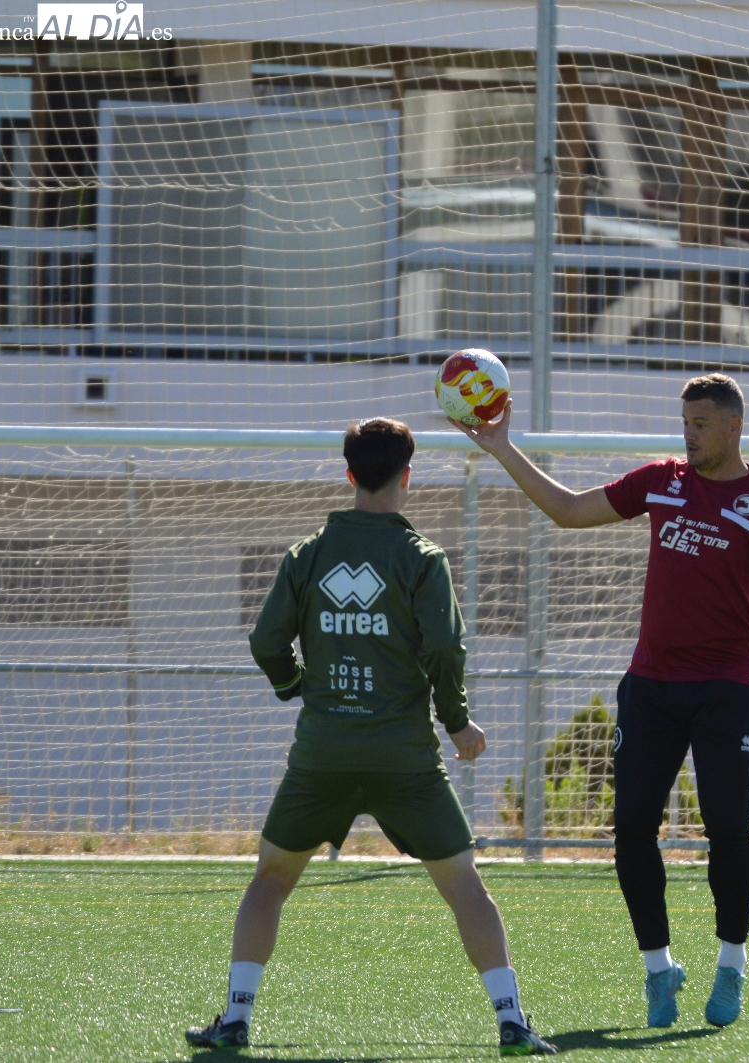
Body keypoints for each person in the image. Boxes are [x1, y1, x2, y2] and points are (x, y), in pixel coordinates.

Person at [185, 418, 556, 1056]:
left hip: (323, 752)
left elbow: (265, 641)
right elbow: (444, 648)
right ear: (408, 476)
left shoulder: (308, 555)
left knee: (270, 879)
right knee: (465, 885)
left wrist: (295, 685)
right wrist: (457, 722)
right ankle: (512, 1021)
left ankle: (236, 1018)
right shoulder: (422, 559)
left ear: (350, 474)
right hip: (405, 758)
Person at [457, 374, 749, 1030]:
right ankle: (658, 968)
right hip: (649, 685)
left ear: (733, 426)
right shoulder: (659, 480)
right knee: (631, 828)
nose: (689, 433)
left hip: (727, 685)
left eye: (700, 423)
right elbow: (566, 509)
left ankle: (731, 960)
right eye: (684, 422)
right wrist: (501, 447)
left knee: (727, 826)